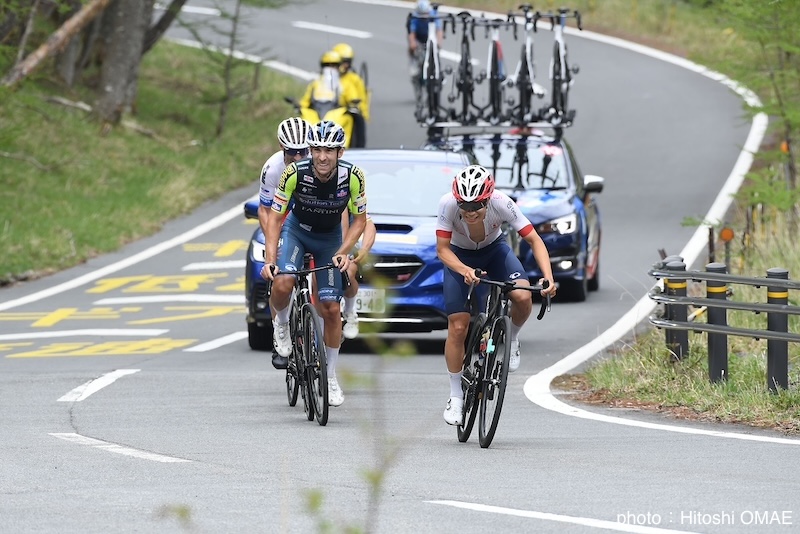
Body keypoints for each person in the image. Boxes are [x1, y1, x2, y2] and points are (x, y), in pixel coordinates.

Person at [435, 164, 556, 425]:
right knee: (458, 326)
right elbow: (443, 250)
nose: (469, 212)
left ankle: (512, 339)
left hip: (495, 251)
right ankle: (455, 397)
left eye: (476, 206)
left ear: (488, 199)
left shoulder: (503, 203)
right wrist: (464, 269)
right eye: (464, 206)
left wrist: (548, 276)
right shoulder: (447, 205)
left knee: (523, 297)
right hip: (459, 256)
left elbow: (534, 240)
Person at [261, 120, 367, 407]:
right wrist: (270, 259)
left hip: (330, 238)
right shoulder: (294, 173)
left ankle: (330, 377)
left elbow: (360, 220)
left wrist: (345, 250)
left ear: (340, 152)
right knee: (282, 281)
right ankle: (281, 325)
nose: (322, 156)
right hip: (297, 233)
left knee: (332, 309)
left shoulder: (353, 176)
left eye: (329, 150)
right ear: (310, 150)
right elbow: (274, 216)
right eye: (317, 149)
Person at [257, 116, 312, 370]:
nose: (299, 158)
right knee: (282, 278)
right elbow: (266, 212)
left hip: (313, 219)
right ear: (282, 148)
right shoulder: (273, 169)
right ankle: (281, 324)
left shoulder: (320, 163)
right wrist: (273, 251)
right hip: (284, 220)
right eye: (293, 152)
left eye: (304, 151)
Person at [298, 51, 361, 146]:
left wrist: (352, 104)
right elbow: (305, 101)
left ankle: (355, 148)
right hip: (317, 112)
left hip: (338, 112)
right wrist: (300, 106)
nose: (330, 68)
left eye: (334, 65)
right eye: (327, 65)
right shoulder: (316, 83)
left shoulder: (345, 83)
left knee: (354, 119)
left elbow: (353, 98)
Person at [340, 211, 377, 339]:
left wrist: (364, 249)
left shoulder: (346, 193)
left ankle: (349, 310)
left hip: (344, 244)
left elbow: (368, 223)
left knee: (347, 272)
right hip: (315, 240)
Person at [406, 0, 444, 96]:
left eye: (425, 14)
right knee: (412, 49)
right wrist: (413, 43)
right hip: (419, 38)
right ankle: (413, 64)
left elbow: (439, 30)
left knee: (436, 52)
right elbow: (412, 34)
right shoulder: (414, 18)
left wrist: (439, 43)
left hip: (430, 37)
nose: (424, 17)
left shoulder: (433, 15)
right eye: (421, 15)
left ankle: (439, 72)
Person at [332, 43, 370, 123]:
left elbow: (362, 100)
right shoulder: (328, 77)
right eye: (343, 62)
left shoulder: (355, 79)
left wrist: (361, 112)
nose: (345, 65)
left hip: (349, 112)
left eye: (347, 62)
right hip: (330, 109)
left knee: (358, 119)